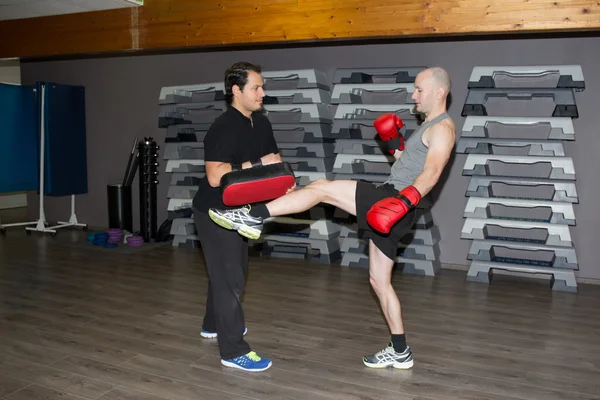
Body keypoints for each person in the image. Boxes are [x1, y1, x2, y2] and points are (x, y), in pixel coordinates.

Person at [208, 66, 456, 369]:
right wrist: (394, 144)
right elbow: (410, 165)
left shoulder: (443, 128)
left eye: (419, 89)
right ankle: (400, 349)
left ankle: (253, 216)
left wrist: (403, 202)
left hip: (395, 199)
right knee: (379, 282)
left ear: (439, 92)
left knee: (322, 188)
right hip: (396, 203)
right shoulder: (428, 125)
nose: (413, 95)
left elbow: (431, 174)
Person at [192, 61, 286, 372]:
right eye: (256, 88)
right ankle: (233, 351)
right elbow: (216, 176)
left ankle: (212, 325)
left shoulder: (262, 124)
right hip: (214, 210)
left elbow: (275, 161)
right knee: (229, 277)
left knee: (230, 271)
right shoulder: (223, 127)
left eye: (262, 87)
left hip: (241, 208)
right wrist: (256, 163)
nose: (262, 93)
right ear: (236, 90)